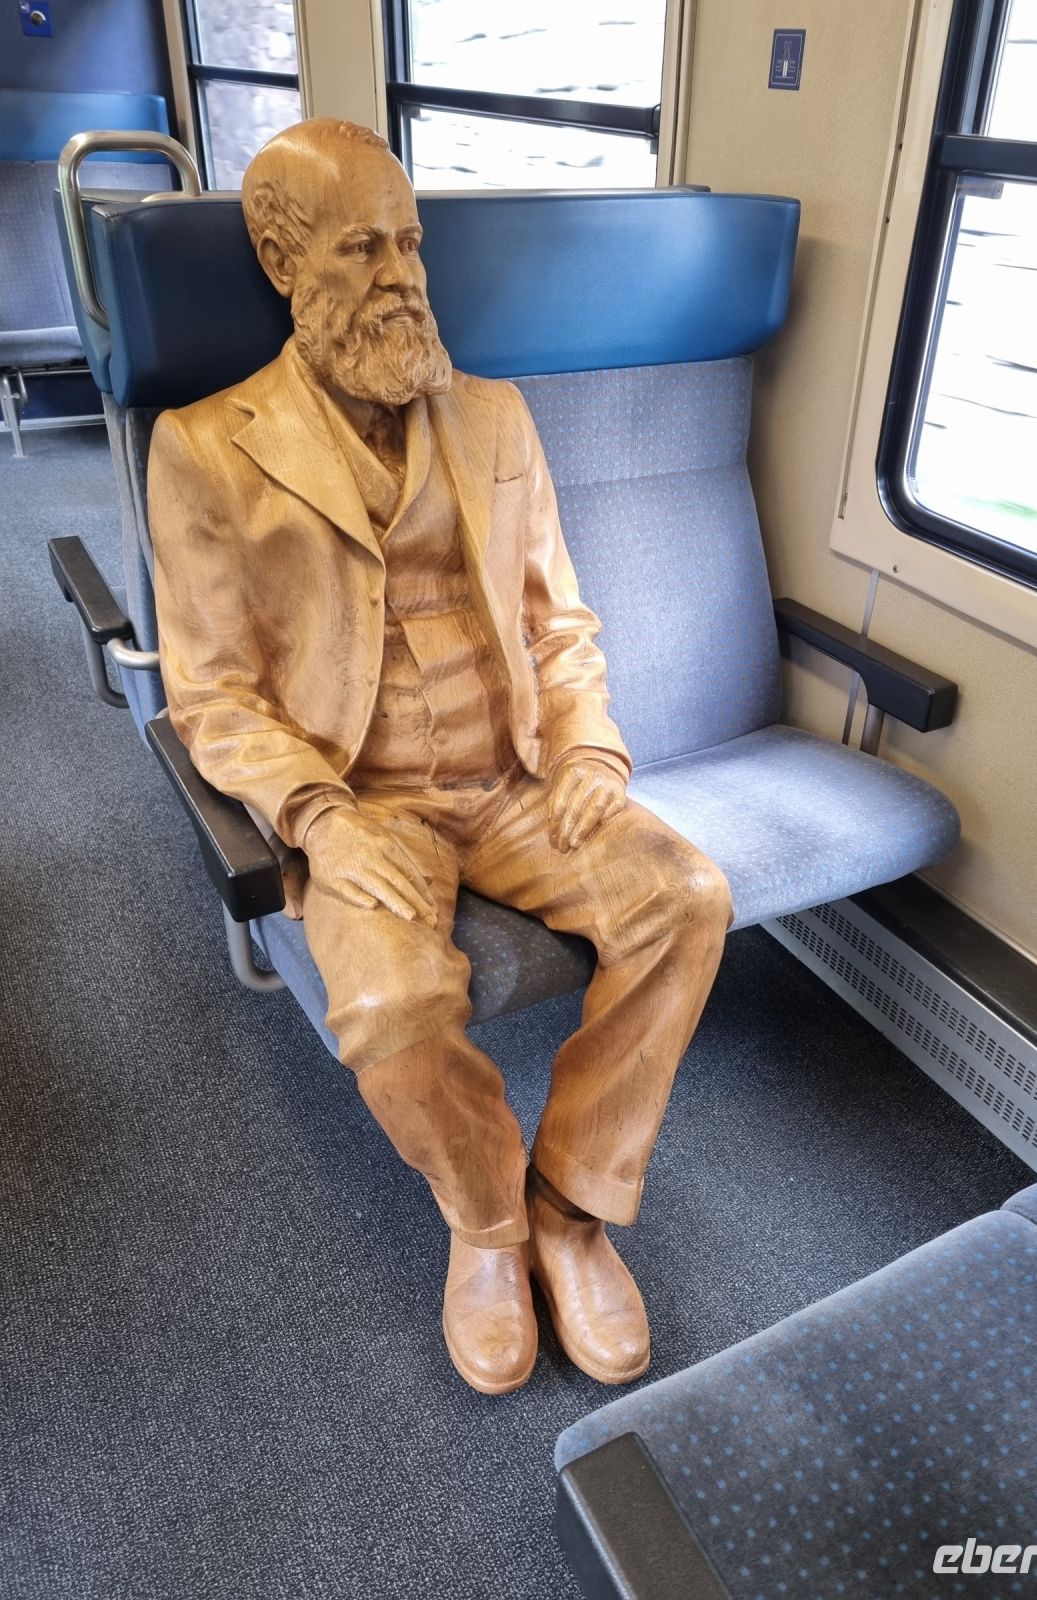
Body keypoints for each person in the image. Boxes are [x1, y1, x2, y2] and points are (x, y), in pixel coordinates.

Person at [147, 118, 732, 1394]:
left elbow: (555, 619)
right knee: (393, 1008)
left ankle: (572, 1201)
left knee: (688, 899)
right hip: (365, 797)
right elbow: (213, 695)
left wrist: (589, 748)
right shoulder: (201, 448)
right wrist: (319, 816)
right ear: (281, 258)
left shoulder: (496, 413)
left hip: (519, 777)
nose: (405, 273)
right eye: (364, 247)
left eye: (411, 241)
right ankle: (487, 1222)